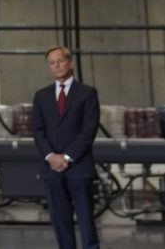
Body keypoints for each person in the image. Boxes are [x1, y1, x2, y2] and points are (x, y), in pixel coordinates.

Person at [32, 46, 100, 249]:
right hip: (51, 168)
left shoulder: (87, 93)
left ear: (70, 62)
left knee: (86, 219)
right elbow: (37, 131)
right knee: (60, 221)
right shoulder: (41, 96)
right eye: (52, 63)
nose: (57, 66)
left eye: (60, 61)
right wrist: (51, 156)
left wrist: (68, 157)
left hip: (79, 167)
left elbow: (89, 130)